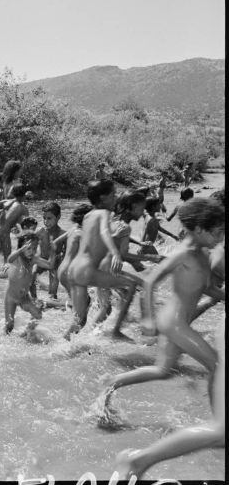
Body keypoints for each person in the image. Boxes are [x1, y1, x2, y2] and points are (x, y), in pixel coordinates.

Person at [99, 197, 225, 419]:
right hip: (173, 322)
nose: (221, 237)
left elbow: (207, 289)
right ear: (197, 229)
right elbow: (149, 281)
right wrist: (147, 318)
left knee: (162, 371)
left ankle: (112, 383)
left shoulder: (203, 254)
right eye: (216, 233)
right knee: (217, 365)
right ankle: (218, 426)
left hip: (179, 321)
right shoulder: (182, 253)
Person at [115, 318, 225, 479]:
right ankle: (138, 459)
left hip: (175, 322)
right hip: (175, 322)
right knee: (221, 432)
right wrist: (149, 315)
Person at [64, 180, 136, 341]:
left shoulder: (88, 215)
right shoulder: (104, 214)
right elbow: (104, 232)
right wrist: (115, 253)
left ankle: (58, 350)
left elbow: (94, 238)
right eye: (113, 194)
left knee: (79, 321)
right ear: (103, 198)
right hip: (86, 270)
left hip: (74, 269)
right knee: (131, 285)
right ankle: (116, 330)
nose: (116, 197)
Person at [92, 191, 162, 341]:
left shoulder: (113, 219)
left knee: (108, 305)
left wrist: (139, 243)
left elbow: (119, 236)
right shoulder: (125, 227)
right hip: (108, 269)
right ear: (134, 206)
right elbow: (124, 255)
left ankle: (99, 332)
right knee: (141, 286)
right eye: (142, 208)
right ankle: (120, 330)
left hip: (99, 266)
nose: (143, 211)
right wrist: (153, 257)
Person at [4, 232, 52, 334]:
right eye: (28, 248)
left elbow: (50, 265)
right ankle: (3, 339)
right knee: (9, 325)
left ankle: (27, 332)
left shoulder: (33, 259)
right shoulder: (17, 258)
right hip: (11, 297)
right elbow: (9, 259)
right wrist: (21, 250)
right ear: (21, 248)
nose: (32, 252)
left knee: (38, 315)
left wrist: (53, 251)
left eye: (34, 248)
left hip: (24, 297)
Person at [56, 203, 93, 310]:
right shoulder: (81, 233)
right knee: (82, 305)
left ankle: (55, 309)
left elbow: (54, 243)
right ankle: (47, 305)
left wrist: (62, 254)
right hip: (69, 273)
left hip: (62, 270)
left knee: (79, 303)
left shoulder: (73, 229)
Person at [32, 202, 66, 301]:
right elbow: (29, 245)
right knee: (32, 273)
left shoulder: (63, 234)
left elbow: (67, 253)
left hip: (55, 263)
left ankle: (52, 297)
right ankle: (34, 298)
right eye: (44, 218)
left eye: (49, 218)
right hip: (42, 260)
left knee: (54, 281)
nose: (46, 221)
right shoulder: (40, 232)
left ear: (58, 217)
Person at [0, 183, 29, 264]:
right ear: (24, 195)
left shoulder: (7, 201)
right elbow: (28, 226)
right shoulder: (23, 209)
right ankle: (3, 273)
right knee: (7, 261)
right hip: (4, 233)